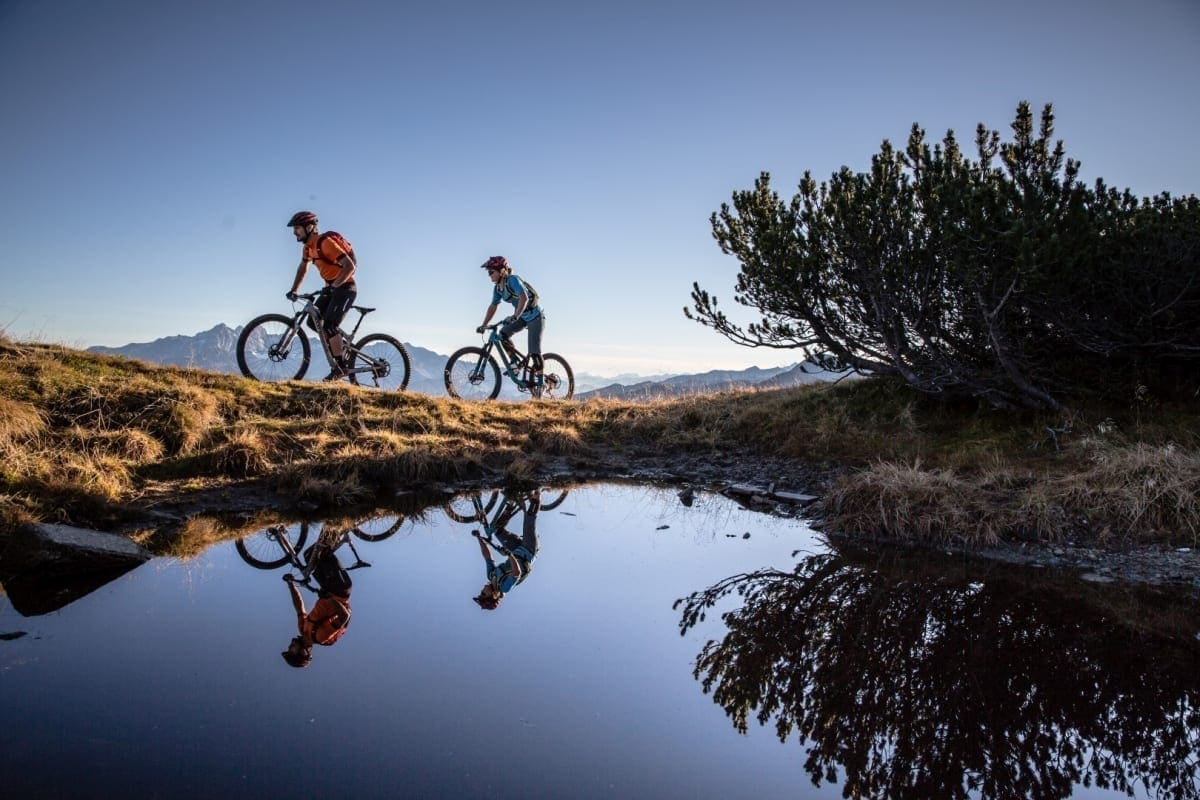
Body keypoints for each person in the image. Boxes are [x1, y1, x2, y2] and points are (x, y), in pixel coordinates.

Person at [285, 210, 358, 380]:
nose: (294, 232)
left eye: (297, 228)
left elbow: (349, 267)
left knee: (329, 325)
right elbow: (303, 268)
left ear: (309, 227)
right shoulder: (307, 249)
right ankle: (339, 346)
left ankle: (340, 368)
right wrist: (294, 289)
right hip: (331, 289)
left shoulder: (325, 243)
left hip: (346, 287)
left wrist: (335, 286)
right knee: (313, 322)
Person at [476, 256, 545, 397]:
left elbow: (524, 297)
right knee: (502, 334)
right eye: (488, 272)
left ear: (501, 271)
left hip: (536, 316)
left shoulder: (513, 280)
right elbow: (493, 306)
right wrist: (484, 325)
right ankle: (515, 363)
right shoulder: (498, 289)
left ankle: (541, 383)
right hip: (521, 317)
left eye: (491, 272)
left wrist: (515, 315)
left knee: (534, 351)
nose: (489, 275)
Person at [281, 539, 353, 668]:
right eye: (291, 650)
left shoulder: (303, 629)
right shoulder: (320, 636)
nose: (290, 646)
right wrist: (330, 599)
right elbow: (344, 616)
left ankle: (334, 528)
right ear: (303, 652)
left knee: (310, 556)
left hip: (327, 588)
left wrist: (291, 585)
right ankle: (341, 526)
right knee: (323, 553)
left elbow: (299, 607)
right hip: (340, 589)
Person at [473, 490, 541, 610]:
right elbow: (517, 573)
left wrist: (479, 539)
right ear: (493, 596)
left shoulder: (491, 575)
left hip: (515, 549)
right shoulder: (504, 587)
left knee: (497, 530)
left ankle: (512, 500)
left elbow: (487, 557)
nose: (482, 590)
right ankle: (538, 490)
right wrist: (510, 555)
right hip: (528, 551)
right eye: (483, 594)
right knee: (529, 522)